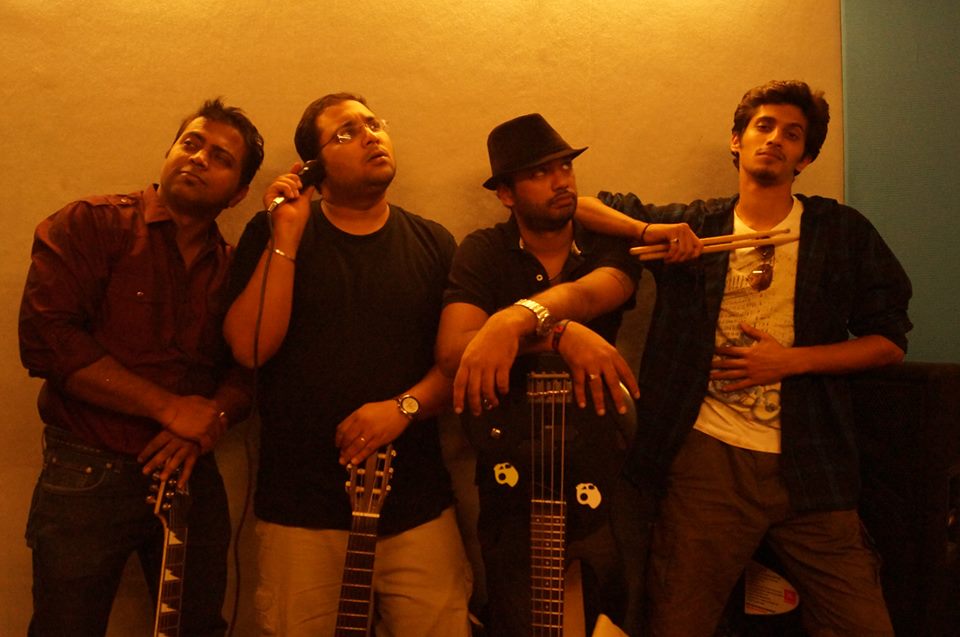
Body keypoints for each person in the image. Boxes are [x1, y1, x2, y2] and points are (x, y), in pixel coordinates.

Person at [576, 80, 912, 636]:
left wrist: (792, 362)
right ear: (737, 140)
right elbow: (582, 207)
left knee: (863, 624)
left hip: (813, 459)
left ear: (805, 158)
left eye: (792, 134)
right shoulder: (696, 228)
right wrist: (648, 229)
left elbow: (889, 343)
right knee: (677, 622)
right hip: (709, 459)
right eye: (764, 126)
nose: (775, 139)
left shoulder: (841, 232)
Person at [435, 113, 697, 636]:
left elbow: (596, 293)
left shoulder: (607, 244)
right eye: (539, 173)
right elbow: (453, 352)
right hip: (511, 466)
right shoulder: (484, 251)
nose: (560, 181)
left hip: (603, 459)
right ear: (506, 194)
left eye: (565, 167)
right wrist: (558, 336)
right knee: (518, 613)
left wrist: (514, 320)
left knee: (613, 612)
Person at [222, 92, 472, 636]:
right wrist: (286, 237)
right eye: (346, 132)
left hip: (417, 508)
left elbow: (460, 362)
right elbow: (250, 349)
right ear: (313, 166)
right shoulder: (273, 231)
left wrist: (404, 408)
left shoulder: (433, 242)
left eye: (374, 124)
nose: (370, 136)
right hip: (302, 511)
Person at [19, 98, 264, 636]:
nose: (198, 158)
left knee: (196, 627)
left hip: (189, 470)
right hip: (87, 466)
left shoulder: (233, 268)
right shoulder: (91, 223)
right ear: (169, 152)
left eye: (221, 157)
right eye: (191, 143)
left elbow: (249, 370)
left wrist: (210, 422)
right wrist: (168, 408)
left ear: (239, 193)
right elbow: (46, 340)